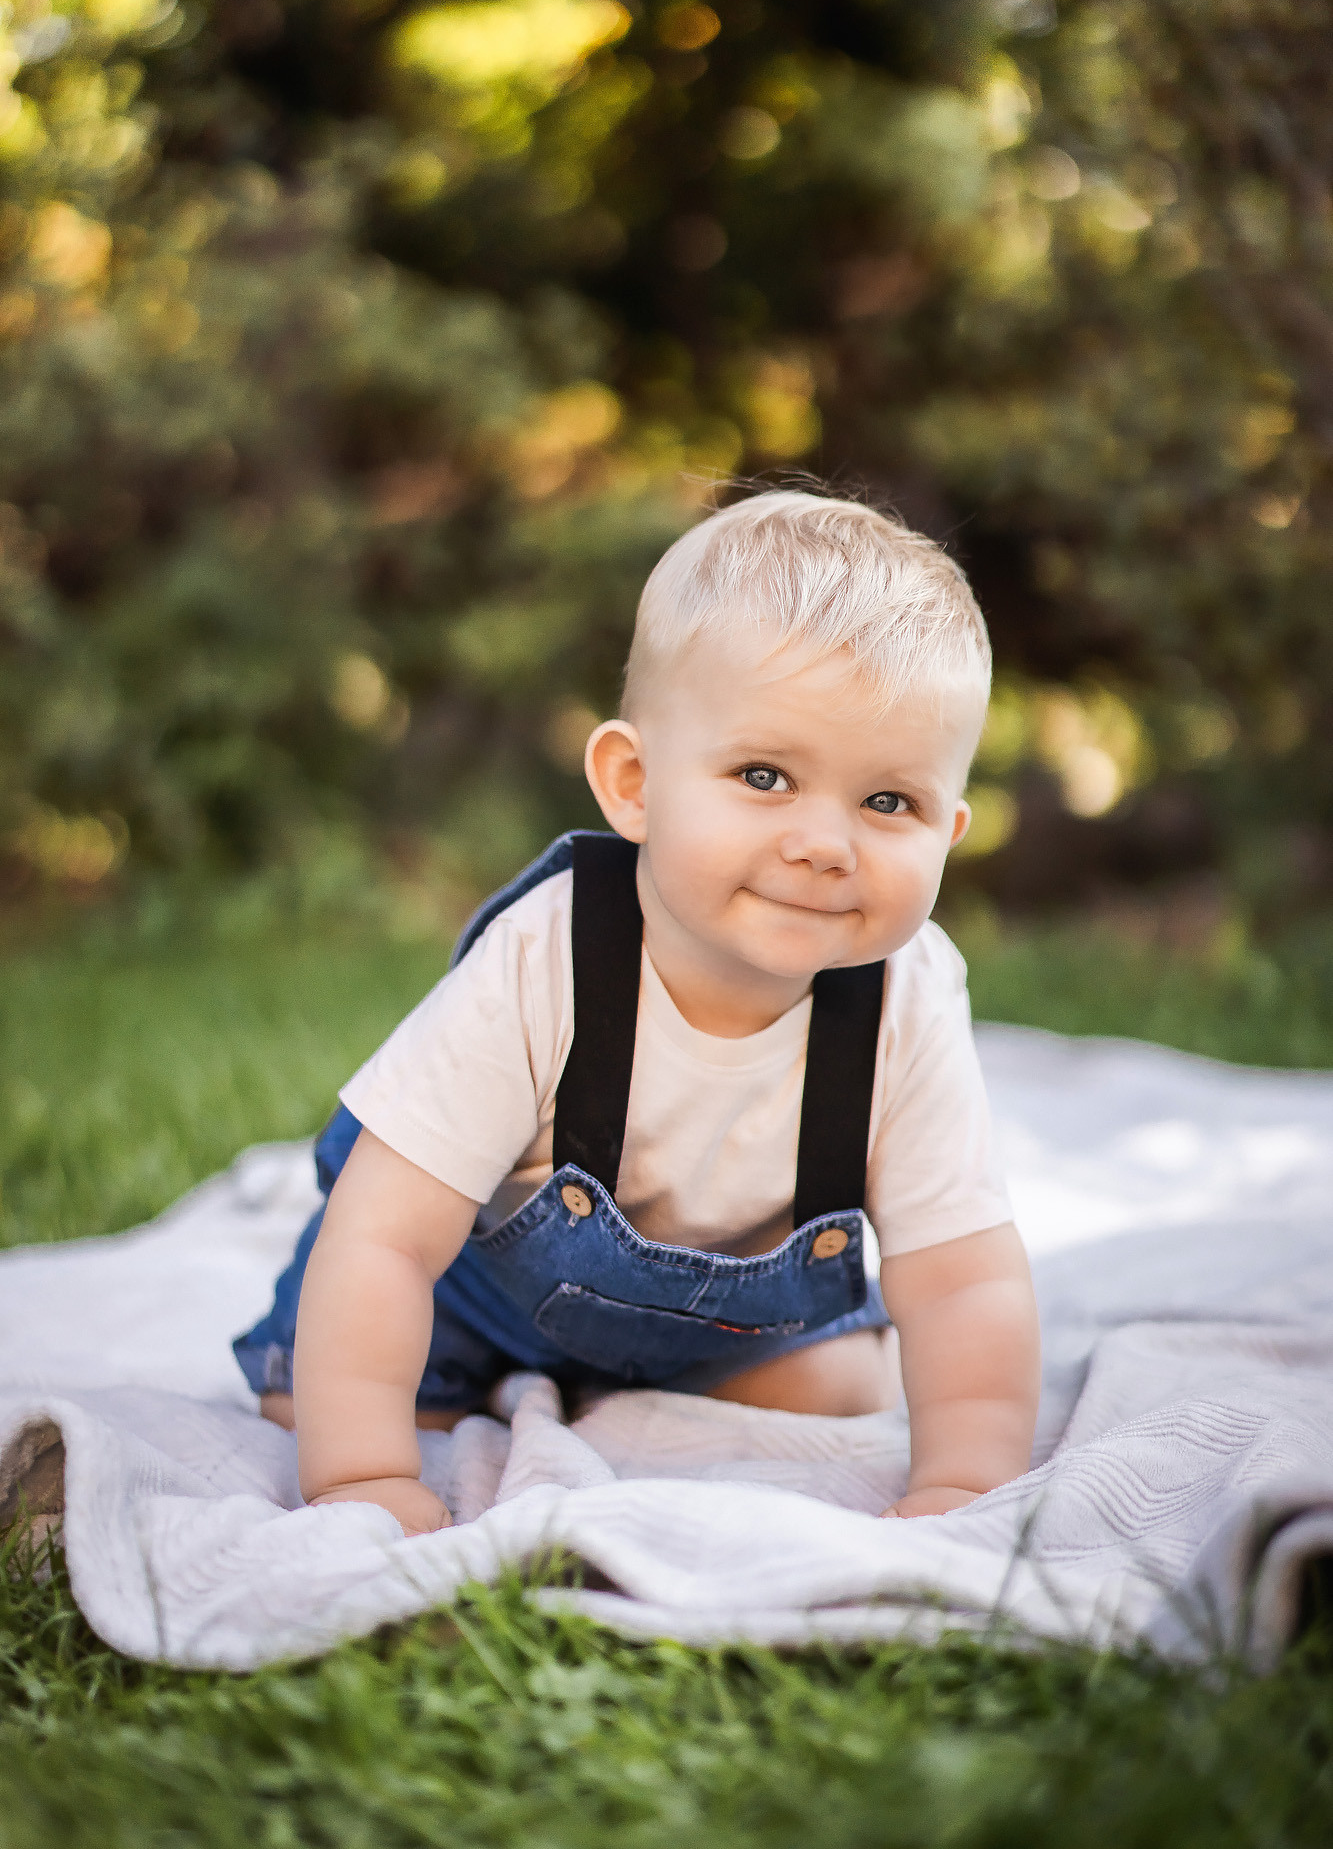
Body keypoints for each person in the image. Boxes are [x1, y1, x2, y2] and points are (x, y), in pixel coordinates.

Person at [234, 489, 1041, 1536]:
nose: (825, 841)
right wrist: (362, 1476)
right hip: (462, 1284)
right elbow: (385, 1237)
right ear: (632, 783)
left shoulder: (907, 992)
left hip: (724, 1322)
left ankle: (616, 1397)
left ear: (951, 829)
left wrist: (965, 1486)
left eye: (889, 802)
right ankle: (475, 1392)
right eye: (765, 775)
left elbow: (963, 1274)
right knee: (316, 1391)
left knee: (850, 1387)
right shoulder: (547, 955)